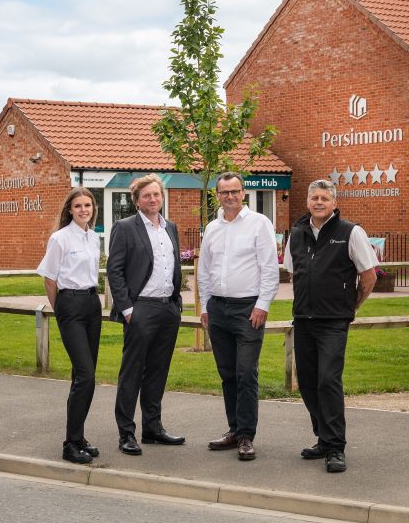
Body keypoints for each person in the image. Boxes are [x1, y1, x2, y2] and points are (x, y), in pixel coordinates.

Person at [283, 179, 378, 473]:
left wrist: (352, 306)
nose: (319, 202)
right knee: (308, 383)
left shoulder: (350, 232)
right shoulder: (296, 233)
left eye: (325, 198)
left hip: (334, 322)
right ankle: (323, 439)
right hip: (303, 319)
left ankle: (336, 447)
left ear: (334, 203)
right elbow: (293, 273)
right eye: (314, 198)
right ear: (308, 202)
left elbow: (369, 275)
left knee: (328, 380)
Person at [198, 172, 280, 461]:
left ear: (243, 193)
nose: (230, 196)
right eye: (224, 192)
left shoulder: (259, 224)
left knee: (246, 373)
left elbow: (269, 268)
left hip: (248, 309)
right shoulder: (212, 228)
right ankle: (234, 430)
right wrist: (205, 306)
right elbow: (204, 270)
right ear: (217, 195)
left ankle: (246, 436)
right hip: (218, 309)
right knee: (228, 373)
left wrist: (262, 305)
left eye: (235, 191)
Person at [106, 174, 185, 456]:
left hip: (167, 309)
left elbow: (173, 266)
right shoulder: (125, 227)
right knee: (132, 373)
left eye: (156, 194)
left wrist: (176, 304)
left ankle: (153, 428)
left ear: (162, 197)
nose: (152, 199)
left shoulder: (170, 227)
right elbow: (114, 270)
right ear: (137, 201)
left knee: (158, 372)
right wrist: (128, 309)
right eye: (147, 196)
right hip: (140, 309)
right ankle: (126, 433)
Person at [37, 187, 103, 464]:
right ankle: (70, 444)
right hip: (70, 305)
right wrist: (62, 310)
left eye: (87, 205)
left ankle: (79, 437)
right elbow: (49, 279)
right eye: (78, 206)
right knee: (85, 375)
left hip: (92, 304)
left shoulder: (94, 238)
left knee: (85, 377)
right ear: (70, 210)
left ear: (93, 208)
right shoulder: (60, 238)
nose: (83, 210)